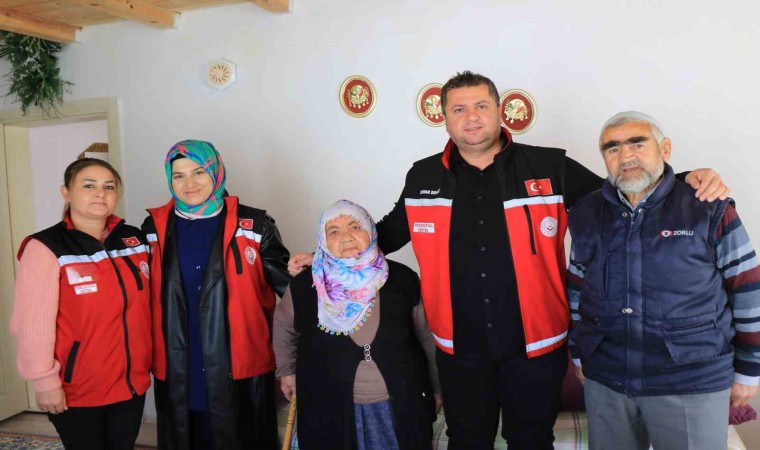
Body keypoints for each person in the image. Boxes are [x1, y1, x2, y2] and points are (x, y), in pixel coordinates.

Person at [288, 71, 729, 450]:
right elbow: (387, 233)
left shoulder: (549, 166)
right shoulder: (423, 176)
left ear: (500, 111)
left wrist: (685, 179)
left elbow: (620, 195)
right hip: (458, 346)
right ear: (444, 117)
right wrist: (327, 257)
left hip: (535, 344)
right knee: (467, 440)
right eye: (459, 109)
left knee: (531, 440)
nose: (471, 116)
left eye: (481, 105)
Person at [567, 111, 760, 450]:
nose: (626, 156)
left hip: (691, 379)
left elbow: (747, 288)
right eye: (613, 148)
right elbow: (578, 290)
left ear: (665, 149)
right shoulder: (587, 212)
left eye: (637, 144)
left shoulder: (707, 206)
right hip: (608, 378)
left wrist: (749, 370)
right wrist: (580, 355)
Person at [142, 140, 291, 450]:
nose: (189, 184)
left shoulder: (254, 225)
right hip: (180, 362)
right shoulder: (153, 228)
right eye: (179, 175)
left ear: (216, 172)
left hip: (240, 364)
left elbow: (292, 293)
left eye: (198, 172)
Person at [274, 199, 440, 450]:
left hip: (399, 402)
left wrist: (437, 386)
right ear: (322, 241)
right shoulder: (304, 285)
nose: (346, 237)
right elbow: (284, 328)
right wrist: (286, 372)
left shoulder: (402, 278)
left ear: (371, 231)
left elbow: (427, 336)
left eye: (355, 226)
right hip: (328, 404)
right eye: (334, 231)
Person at [11, 158, 152, 449]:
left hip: (131, 383)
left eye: (108, 187)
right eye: (89, 186)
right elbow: (31, 325)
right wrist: (44, 382)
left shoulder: (134, 240)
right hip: (78, 389)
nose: (100, 193)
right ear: (66, 192)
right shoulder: (45, 247)